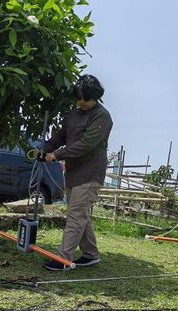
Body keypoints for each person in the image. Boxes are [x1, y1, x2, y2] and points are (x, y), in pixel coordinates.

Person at [42, 74, 113, 271]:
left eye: (86, 99)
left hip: (90, 173)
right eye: (79, 98)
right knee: (81, 215)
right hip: (73, 172)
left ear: (95, 97)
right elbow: (62, 135)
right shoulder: (74, 114)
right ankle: (91, 255)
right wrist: (46, 147)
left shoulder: (102, 116)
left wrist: (56, 155)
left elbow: (85, 145)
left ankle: (63, 259)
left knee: (75, 216)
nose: (81, 102)